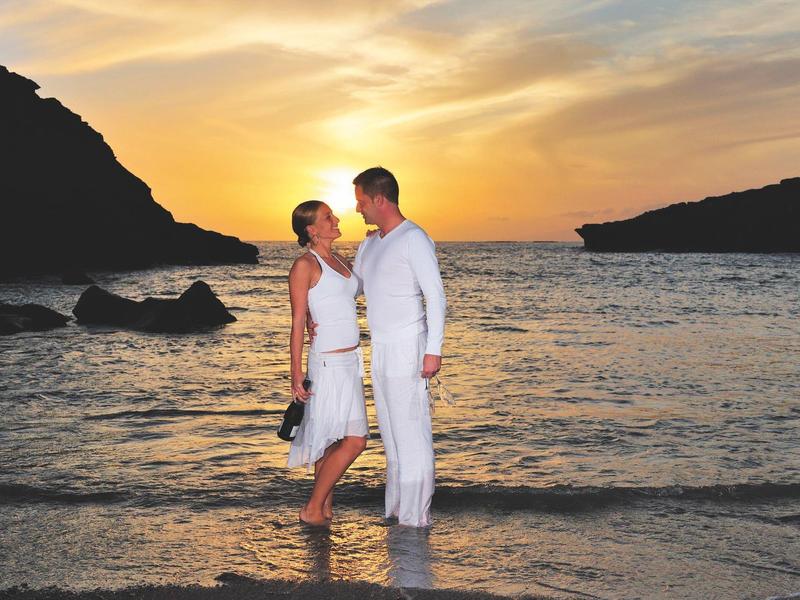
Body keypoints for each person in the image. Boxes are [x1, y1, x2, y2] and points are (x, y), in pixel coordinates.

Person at [352, 166, 446, 528]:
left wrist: (433, 350)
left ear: (379, 199)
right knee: (391, 436)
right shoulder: (370, 243)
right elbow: (355, 286)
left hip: (409, 346)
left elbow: (435, 296)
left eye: (361, 201)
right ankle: (395, 511)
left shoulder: (414, 238)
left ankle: (416, 517)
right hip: (380, 348)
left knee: (412, 434)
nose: (358, 208)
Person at [286, 200, 369, 526]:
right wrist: (295, 374)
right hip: (326, 365)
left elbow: (354, 290)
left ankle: (324, 512)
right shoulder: (305, 265)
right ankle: (312, 508)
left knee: (331, 441)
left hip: (350, 361)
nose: (335, 219)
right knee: (355, 440)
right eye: (327, 217)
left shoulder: (340, 260)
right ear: (312, 229)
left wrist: (375, 242)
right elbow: (296, 322)